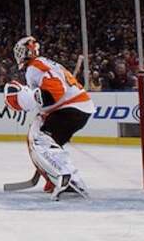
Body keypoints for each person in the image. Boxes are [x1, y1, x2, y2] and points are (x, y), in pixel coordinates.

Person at [5, 36, 92, 200]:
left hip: (72, 108)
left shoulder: (34, 68)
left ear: (27, 52)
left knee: (42, 141)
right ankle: (59, 178)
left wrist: (32, 99)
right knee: (44, 139)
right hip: (77, 107)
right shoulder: (42, 64)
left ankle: (65, 175)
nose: (18, 55)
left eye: (20, 52)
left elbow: (56, 91)